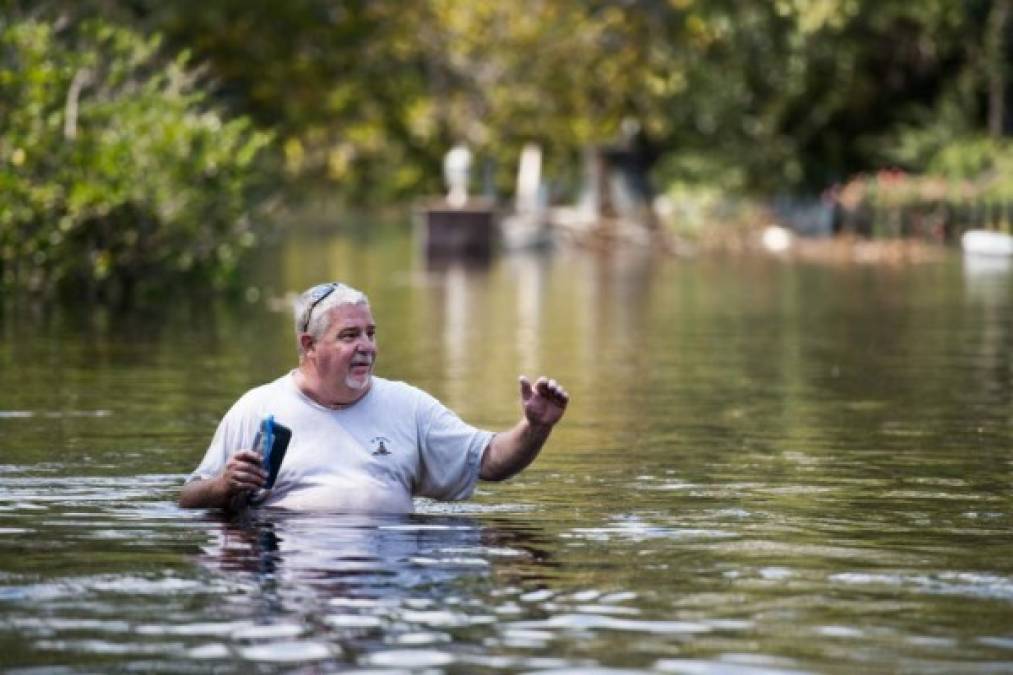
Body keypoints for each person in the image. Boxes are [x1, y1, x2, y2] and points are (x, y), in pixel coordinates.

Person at [179, 282, 569, 512]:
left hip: (382, 584)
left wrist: (534, 428)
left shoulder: (408, 406)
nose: (367, 346)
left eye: (371, 333)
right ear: (309, 345)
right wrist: (223, 486)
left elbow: (490, 461)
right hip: (289, 571)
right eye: (350, 336)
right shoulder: (257, 408)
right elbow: (188, 497)